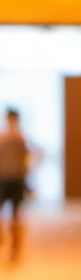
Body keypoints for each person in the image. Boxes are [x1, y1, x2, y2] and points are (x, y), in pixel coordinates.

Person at [0, 107, 30, 262]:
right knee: (15, 216)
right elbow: (25, 162)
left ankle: (15, 249)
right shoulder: (18, 138)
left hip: (9, 180)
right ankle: (14, 249)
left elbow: (24, 162)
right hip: (9, 180)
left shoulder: (12, 138)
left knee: (16, 216)